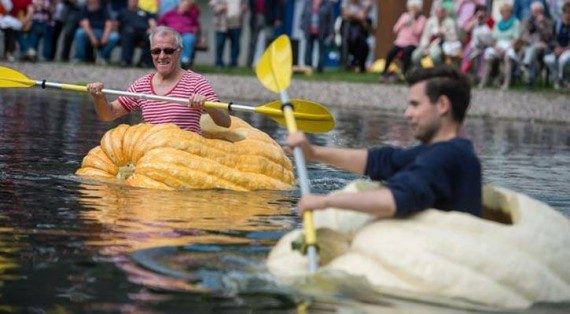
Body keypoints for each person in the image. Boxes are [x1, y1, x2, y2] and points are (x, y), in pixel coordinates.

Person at [285, 65, 481, 219]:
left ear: (442, 105)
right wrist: (314, 153)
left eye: (415, 104)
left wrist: (325, 202)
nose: (407, 113)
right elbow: (382, 161)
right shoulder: (446, 151)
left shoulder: (446, 157)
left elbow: (395, 200)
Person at [86, 26, 231, 133]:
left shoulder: (197, 82)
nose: (161, 56)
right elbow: (108, 114)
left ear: (179, 52)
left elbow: (225, 121)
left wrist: (208, 106)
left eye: (168, 50)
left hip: (185, 156)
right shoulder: (141, 84)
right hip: (153, 155)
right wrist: (99, 98)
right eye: (156, 51)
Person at [379, 0, 425, 82]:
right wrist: (403, 22)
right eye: (411, 7)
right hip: (400, 41)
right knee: (391, 52)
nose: (413, 10)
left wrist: (413, 20)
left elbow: (418, 32)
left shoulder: (422, 19)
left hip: (412, 43)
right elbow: (395, 29)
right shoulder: (404, 16)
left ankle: (404, 73)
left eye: (415, 8)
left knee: (406, 53)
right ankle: (384, 72)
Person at [412, 4, 461, 68]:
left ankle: (438, 72)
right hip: (428, 45)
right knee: (415, 56)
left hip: (443, 45)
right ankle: (420, 72)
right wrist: (425, 48)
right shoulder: (430, 21)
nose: (440, 14)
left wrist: (444, 34)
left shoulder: (450, 22)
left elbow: (454, 38)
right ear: (435, 12)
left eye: (442, 12)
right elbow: (425, 36)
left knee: (435, 56)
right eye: (438, 12)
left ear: (445, 13)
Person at [72, 0, 119, 64]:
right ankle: (79, 57)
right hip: (89, 32)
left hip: (102, 32)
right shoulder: (84, 8)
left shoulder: (104, 8)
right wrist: (92, 37)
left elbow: (108, 23)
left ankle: (102, 58)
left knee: (114, 36)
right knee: (79, 32)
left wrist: (105, 36)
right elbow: (85, 24)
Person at [158, 0, 201, 69]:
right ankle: (169, 63)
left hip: (186, 34)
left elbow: (196, 26)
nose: (186, 7)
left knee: (189, 38)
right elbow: (160, 24)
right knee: (172, 40)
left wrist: (195, 31)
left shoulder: (191, 16)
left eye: (188, 6)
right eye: (185, 5)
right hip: (172, 34)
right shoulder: (170, 14)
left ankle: (184, 61)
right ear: (179, 5)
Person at [116, 0, 157, 67]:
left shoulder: (144, 12)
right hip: (128, 32)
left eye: (135, 1)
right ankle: (126, 61)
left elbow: (152, 23)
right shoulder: (123, 12)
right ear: (128, 1)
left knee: (150, 37)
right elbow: (117, 24)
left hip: (143, 32)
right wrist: (119, 32)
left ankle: (144, 62)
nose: (133, 2)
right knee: (128, 34)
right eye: (131, 1)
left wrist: (151, 29)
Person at [246, 0, 285, 68]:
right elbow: (250, 4)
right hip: (256, 17)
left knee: (268, 43)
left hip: (268, 18)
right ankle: (249, 64)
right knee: (253, 42)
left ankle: (267, 65)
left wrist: (278, 18)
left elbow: (278, 4)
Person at [299, 0, 335, 73]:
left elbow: (330, 18)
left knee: (321, 50)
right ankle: (308, 67)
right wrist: (302, 26)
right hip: (309, 30)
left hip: (322, 30)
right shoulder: (308, 2)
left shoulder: (327, 3)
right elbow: (303, 15)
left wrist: (330, 31)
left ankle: (320, 68)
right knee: (308, 49)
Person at [209, 0, 247, 68]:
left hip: (236, 24)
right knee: (220, 44)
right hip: (221, 24)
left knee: (235, 45)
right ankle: (219, 62)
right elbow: (212, 6)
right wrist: (220, 8)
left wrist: (243, 8)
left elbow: (245, 5)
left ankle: (233, 63)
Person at [544, 1, 570, 90]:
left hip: (568, 50)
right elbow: (552, 38)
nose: (567, 15)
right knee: (548, 59)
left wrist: (563, 49)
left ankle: (564, 80)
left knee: (564, 60)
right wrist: (556, 48)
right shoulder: (558, 23)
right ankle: (557, 80)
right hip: (558, 49)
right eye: (566, 12)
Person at [340, 0, 372, 72]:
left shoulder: (362, 4)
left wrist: (352, 15)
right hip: (348, 33)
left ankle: (360, 66)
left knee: (364, 46)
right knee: (346, 43)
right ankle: (346, 65)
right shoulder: (346, 2)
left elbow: (362, 17)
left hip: (359, 34)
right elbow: (345, 15)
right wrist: (356, 16)